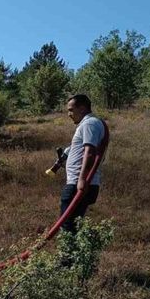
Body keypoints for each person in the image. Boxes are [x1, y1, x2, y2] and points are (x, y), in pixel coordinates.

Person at [60, 94, 107, 233]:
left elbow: (90, 152)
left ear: (82, 108)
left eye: (71, 110)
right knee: (72, 227)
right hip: (79, 183)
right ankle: (75, 254)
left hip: (78, 184)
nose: (69, 114)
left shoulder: (89, 124)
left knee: (68, 229)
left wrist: (82, 179)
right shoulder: (88, 124)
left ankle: (67, 255)